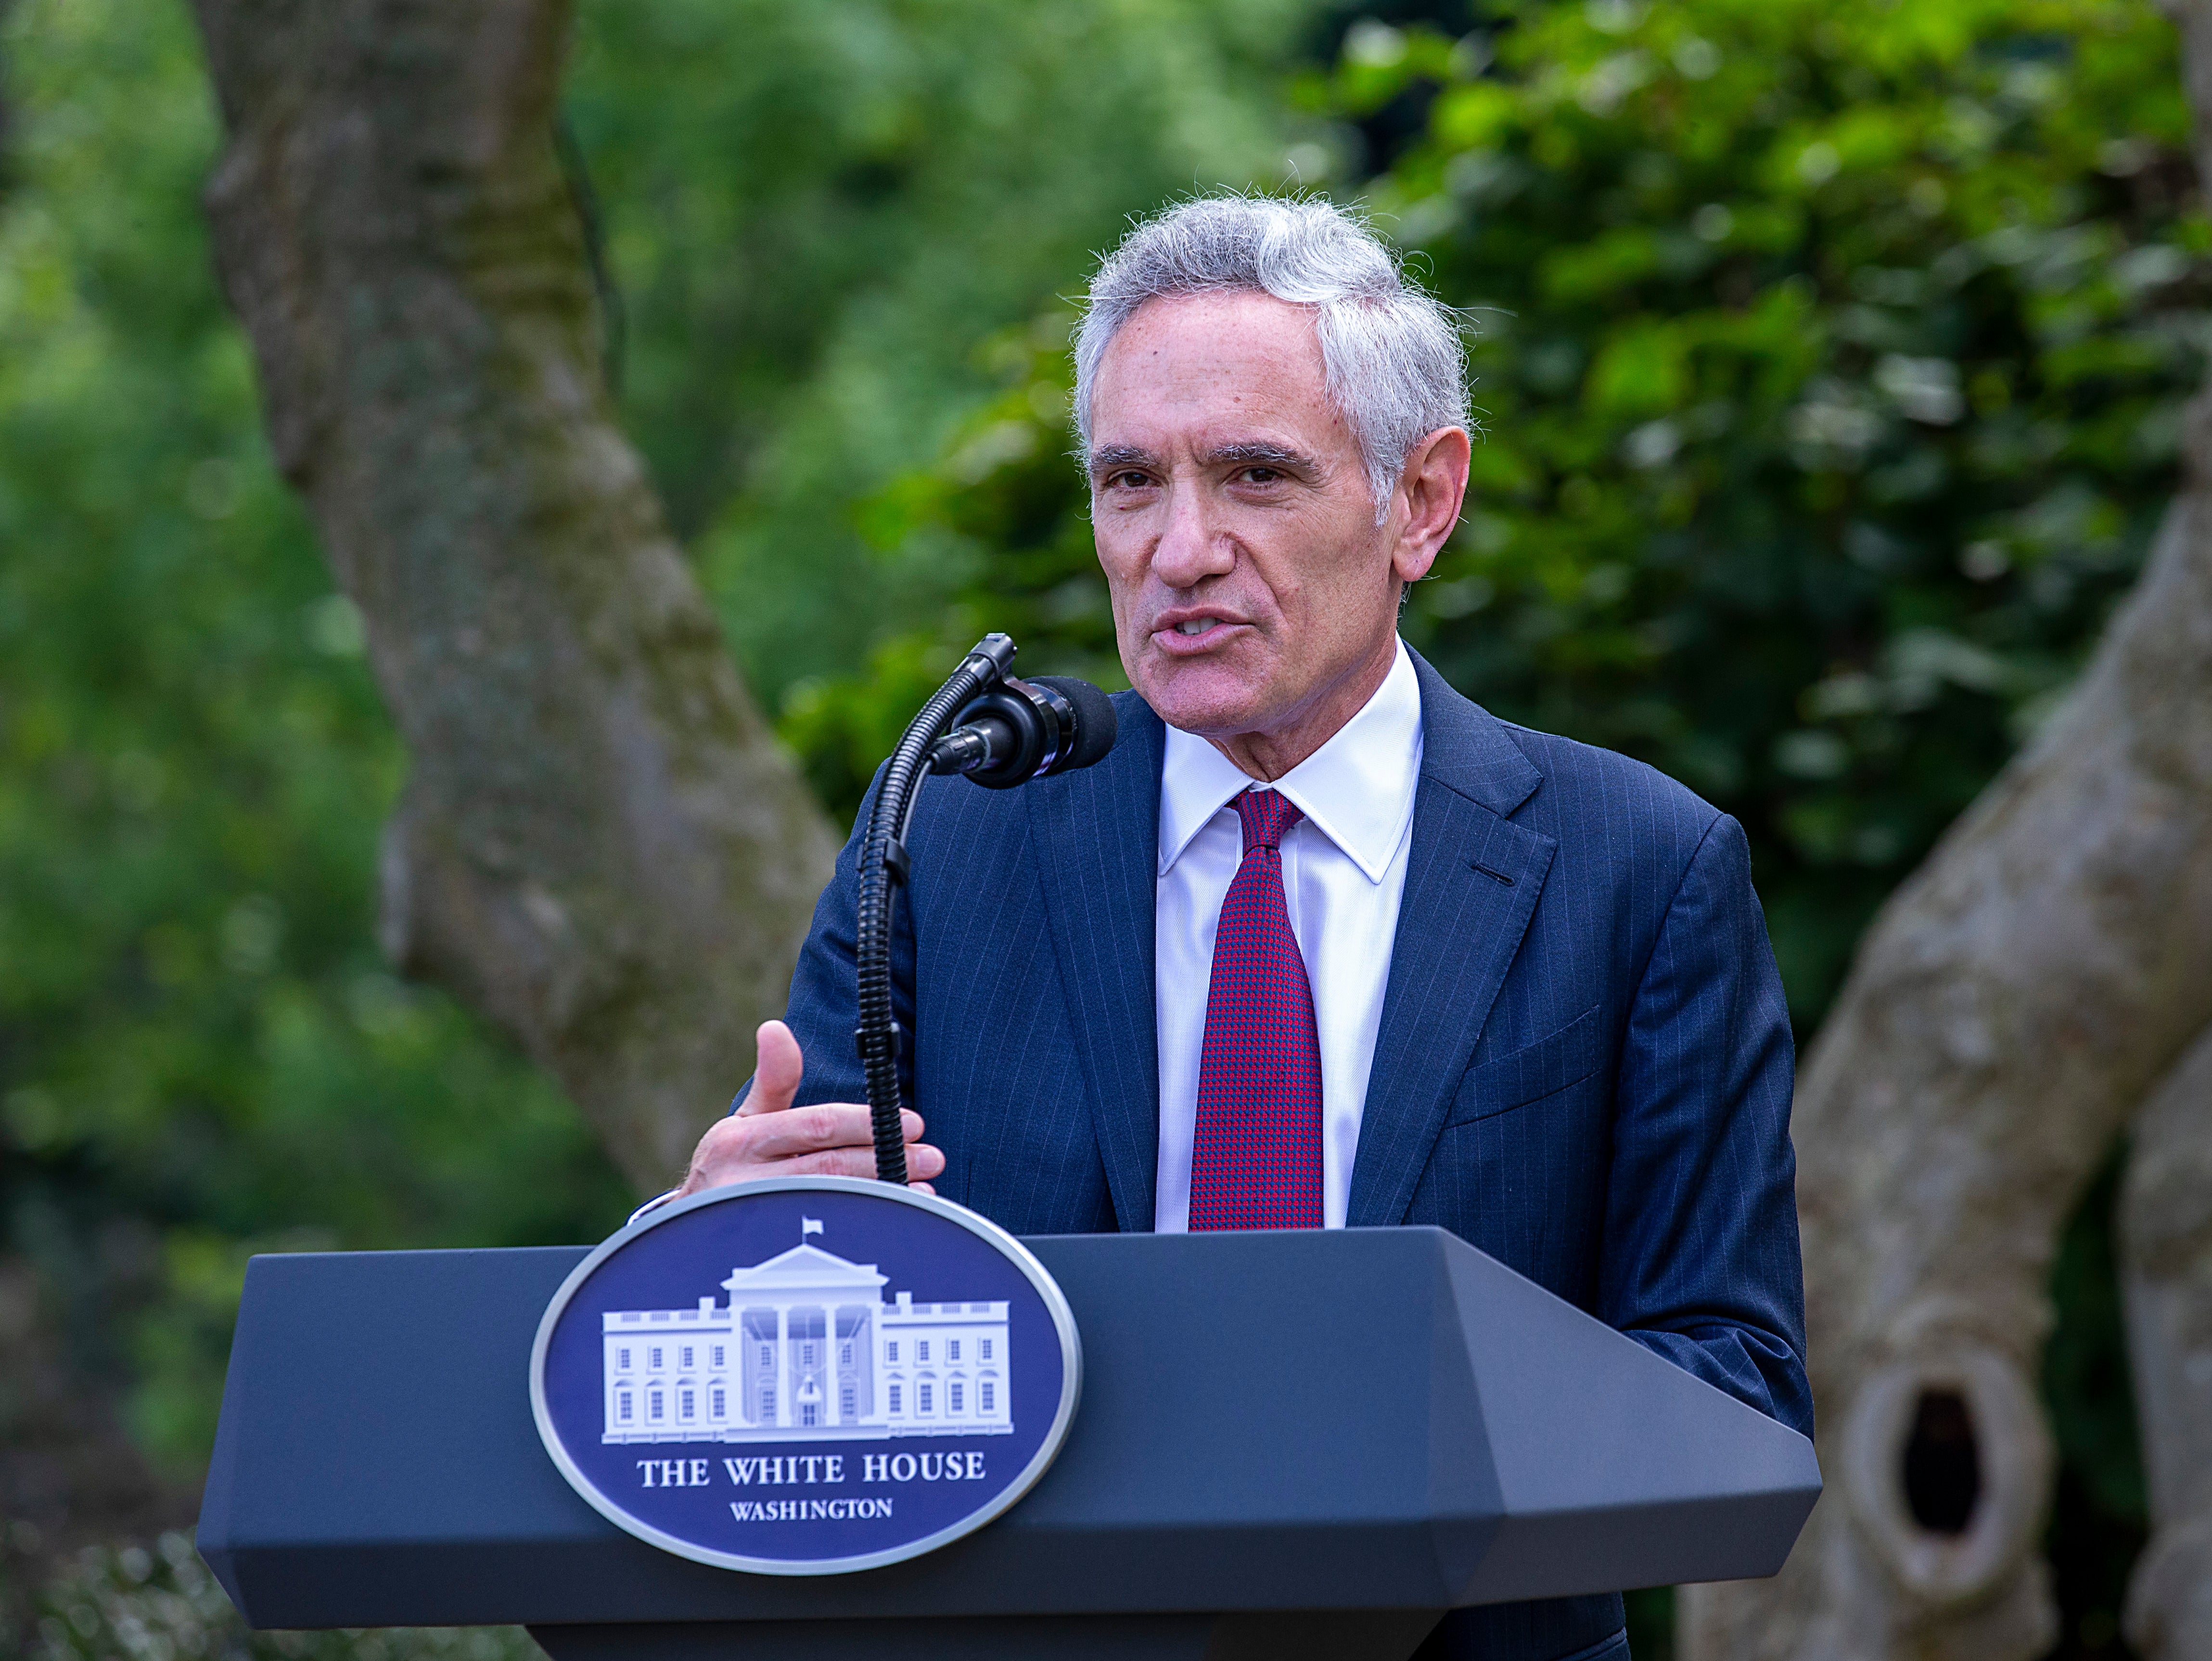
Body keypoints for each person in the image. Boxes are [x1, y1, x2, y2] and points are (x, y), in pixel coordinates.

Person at [670, 193, 1808, 1661]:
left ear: (1422, 500)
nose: (1181, 548)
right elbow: (796, 1324)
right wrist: (693, 1252)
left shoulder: (1638, 868)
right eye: (1130, 481)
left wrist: (1396, 1444)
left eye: (1255, 475)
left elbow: (1731, 1384)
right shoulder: (946, 843)